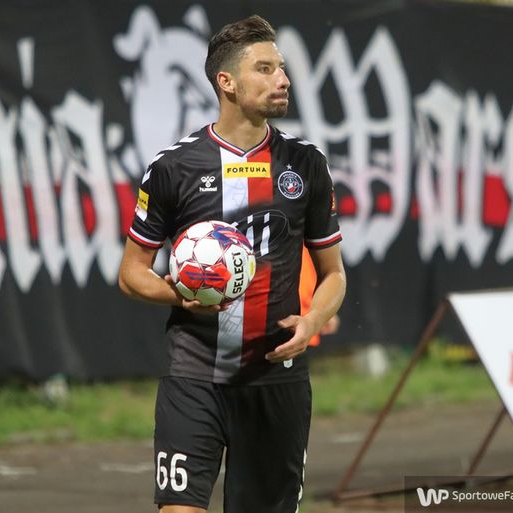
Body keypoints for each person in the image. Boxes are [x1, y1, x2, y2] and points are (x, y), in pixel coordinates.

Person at [117, 14, 346, 513]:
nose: (283, 79)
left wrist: (312, 322)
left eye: (281, 68)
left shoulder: (306, 164)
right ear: (227, 82)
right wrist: (184, 294)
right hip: (193, 376)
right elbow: (131, 274)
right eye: (265, 69)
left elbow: (334, 275)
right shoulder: (173, 167)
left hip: (276, 380)